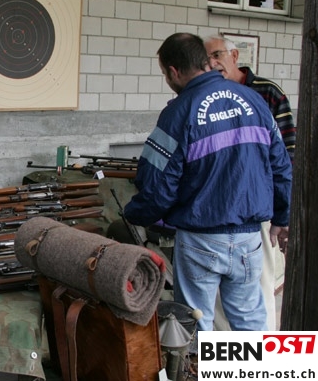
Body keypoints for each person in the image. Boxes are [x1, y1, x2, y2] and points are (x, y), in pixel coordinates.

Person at [124, 33, 292, 332]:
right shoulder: (253, 100)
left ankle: (204, 361)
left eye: (165, 74)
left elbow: (157, 185)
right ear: (205, 61)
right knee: (250, 320)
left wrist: (135, 215)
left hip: (200, 238)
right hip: (249, 237)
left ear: (173, 71)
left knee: (196, 322)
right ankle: (252, 362)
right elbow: (281, 165)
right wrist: (282, 216)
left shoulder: (178, 112)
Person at [204, 35, 296, 330]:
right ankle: (227, 358)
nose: (212, 63)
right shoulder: (207, 95)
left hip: (258, 210)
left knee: (258, 291)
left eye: (217, 55)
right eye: (206, 59)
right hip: (219, 211)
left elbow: (287, 156)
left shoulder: (267, 92)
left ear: (234, 56)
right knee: (220, 303)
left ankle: (261, 356)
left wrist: (283, 212)